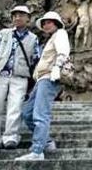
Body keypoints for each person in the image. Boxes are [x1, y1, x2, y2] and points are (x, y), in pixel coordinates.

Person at [0, 5, 40, 149]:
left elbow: (36, 60)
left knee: (15, 107)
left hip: (19, 76)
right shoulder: (3, 33)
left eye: (21, 15)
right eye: (15, 15)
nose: (17, 18)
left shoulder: (33, 38)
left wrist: (34, 80)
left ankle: (11, 136)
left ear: (28, 18)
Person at [15, 11, 70, 161]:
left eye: (49, 22)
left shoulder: (61, 34)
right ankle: (46, 142)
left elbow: (64, 52)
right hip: (41, 79)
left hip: (49, 78)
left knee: (41, 114)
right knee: (27, 113)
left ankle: (37, 150)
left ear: (56, 23)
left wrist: (57, 67)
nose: (46, 25)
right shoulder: (50, 39)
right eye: (44, 23)